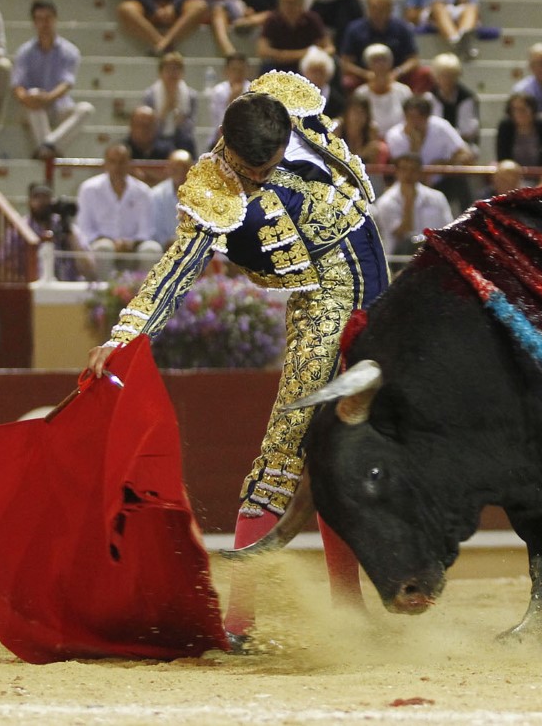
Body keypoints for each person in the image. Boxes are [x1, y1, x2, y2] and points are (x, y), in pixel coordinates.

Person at [85, 72, 389, 648]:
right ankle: (241, 621)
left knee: (348, 449)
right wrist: (124, 336)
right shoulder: (213, 195)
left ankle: (347, 612)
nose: (266, 176)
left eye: (274, 164)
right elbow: (173, 273)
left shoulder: (285, 109)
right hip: (322, 301)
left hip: (375, 287)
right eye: (258, 173)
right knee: (287, 449)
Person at [11, 0, 95, 164]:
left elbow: (67, 83)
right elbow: (17, 85)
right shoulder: (24, 52)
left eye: (48, 18)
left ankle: (47, 145)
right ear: (34, 22)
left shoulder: (69, 51)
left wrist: (48, 98)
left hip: (60, 105)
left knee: (86, 109)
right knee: (33, 96)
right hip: (33, 108)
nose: (44, 24)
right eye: (40, 19)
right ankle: (50, 147)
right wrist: (27, 98)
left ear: (55, 19)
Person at [76, 143, 164, 276]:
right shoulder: (89, 189)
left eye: (122, 162)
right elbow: (85, 229)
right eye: (112, 162)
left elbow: (147, 230)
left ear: (129, 164)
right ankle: (101, 294)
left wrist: (130, 244)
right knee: (104, 247)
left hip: (134, 248)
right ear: (105, 164)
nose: (117, 167)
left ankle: (147, 295)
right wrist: (112, 243)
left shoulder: (143, 192)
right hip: (101, 245)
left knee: (152, 249)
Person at [338, 0, 430, 94]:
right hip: (365, 77)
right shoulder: (354, 29)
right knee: (347, 82)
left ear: (390, 9)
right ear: (367, 9)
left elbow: (413, 60)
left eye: (382, 9)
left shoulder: (402, 28)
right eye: (374, 8)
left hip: (397, 76)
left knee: (424, 74)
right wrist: (365, 74)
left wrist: (397, 73)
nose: (378, 12)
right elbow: (346, 63)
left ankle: (414, 107)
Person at [0, 182, 96, 282]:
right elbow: (4, 267)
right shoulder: (20, 229)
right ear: (29, 202)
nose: (42, 202)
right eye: (37, 197)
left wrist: (69, 232)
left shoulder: (65, 226)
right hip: (34, 288)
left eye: (46, 197)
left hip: (67, 289)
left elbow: (89, 269)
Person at [371, 153, 454, 258]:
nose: (408, 174)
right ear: (397, 172)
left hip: (433, 257)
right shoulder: (386, 202)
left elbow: (447, 230)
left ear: (420, 172)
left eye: (413, 169)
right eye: (404, 169)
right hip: (401, 259)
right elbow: (402, 235)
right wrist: (408, 203)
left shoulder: (437, 198)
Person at [256, 0, 331, 76]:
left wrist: (314, 56)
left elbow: (329, 48)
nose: (289, 7)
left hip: (306, 65)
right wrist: (302, 53)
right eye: (286, 2)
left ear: (301, 4)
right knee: (267, 67)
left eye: (293, 3)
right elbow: (263, 50)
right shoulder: (272, 20)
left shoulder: (312, 19)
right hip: (279, 65)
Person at [141, 51, 200, 156]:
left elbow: (190, 127)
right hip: (157, 139)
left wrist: (177, 113)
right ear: (160, 72)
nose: (172, 73)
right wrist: (166, 108)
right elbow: (149, 128)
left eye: (176, 69)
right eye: (168, 69)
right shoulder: (150, 95)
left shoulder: (191, 96)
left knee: (187, 143)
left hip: (181, 139)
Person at [354, 44, 413, 136]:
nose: (380, 64)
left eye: (383, 60)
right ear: (368, 65)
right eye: (375, 61)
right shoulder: (361, 93)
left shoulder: (403, 91)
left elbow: (411, 118)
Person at [425, 52, 479, 147]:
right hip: (435, 144)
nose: (448, 80)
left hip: (461, 144)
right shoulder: (429, 97)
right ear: (436, 76)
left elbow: (467, 131)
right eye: (444, 75)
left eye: (452, 75)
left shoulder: (466, 98)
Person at [496, 92, 542, 168]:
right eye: (514, 110)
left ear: (532, 110)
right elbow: (503, 158)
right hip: (513, 175)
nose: (518, 113)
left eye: (523, 109)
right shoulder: (505, 127)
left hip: (540, 175)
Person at [150, 149, 194, 249]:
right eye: (175, 168)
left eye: (184, 168)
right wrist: (168, 242)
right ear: (168, 169)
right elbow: (155, 227)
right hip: (164, 247)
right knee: (151, 248)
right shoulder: (157, 194)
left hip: (194, 246)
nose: (180, 172)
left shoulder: (204, 195)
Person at [209, 52, 251, 148]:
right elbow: (217, 121)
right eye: (234, 70)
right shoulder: (218, 91)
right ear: (226, 71)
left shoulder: (253, 90)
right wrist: (231, 100)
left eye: (241, 70)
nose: (238, 74)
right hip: (221, 138)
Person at [338, 93, 387, 167]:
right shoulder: (337, 128)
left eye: (362, 112)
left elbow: (373, 163)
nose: (357, 116)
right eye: (354, 112)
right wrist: (362, 153)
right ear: (347, 113)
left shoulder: (371, 130)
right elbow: (334, 158)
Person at [299, 46, 345, 120]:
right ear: (305, 72)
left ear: (328, 74)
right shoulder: (295, 96)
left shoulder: (336, 99)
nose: (317, 76)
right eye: (313, 72)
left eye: (320, 72)